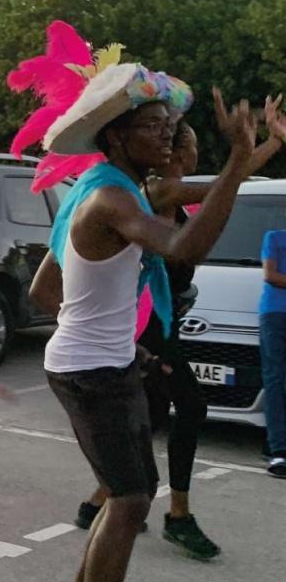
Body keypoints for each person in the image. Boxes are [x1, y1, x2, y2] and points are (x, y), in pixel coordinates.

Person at [29, 79, 256, 582]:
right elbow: (185, 248)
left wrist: (121, 337)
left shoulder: (110, 188)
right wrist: (239, 162)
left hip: (104, 365)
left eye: (168, 124)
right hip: (91, 373)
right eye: (153, 125)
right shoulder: (107, 195)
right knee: (129, 501)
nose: (167, 133)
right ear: (115, 136)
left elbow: (49, 285)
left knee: (123, 495)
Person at [71, 107, 286, 556]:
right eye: (188, 149)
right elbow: (229, 181)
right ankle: (179, 514)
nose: (192, 156)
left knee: (147, 418)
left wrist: (272, 143)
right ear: (176, 154)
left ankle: (98, 503)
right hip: (146, 326)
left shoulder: (166, 193)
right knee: (190, 407)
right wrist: (257, 148)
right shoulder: (159, 189)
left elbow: (231, 178)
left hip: (163, 321)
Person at [260, 224, 286, 478]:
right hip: (275, 314)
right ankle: (279, 449)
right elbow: (270, 275)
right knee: (276, 380)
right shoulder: (275, 237)